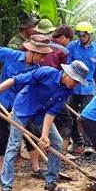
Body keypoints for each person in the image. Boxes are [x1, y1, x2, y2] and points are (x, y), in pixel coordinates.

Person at [0, 60, 90, 191]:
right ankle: (6, 189)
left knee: (56, 142)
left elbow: (51, 112)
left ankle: (50, 184)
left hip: (41, 116)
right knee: (13, 146)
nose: (77, 84)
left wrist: (44, 135)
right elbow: (14, 80)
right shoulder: (45, 73)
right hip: (22, 110)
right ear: (68, 74)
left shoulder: (67, 90)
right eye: (76, 81)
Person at [0, 35, 53, 178]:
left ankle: (36, 168)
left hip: (22, 107)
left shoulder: (37, 70)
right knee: (1, 137)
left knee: (31, 134)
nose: (43, 60)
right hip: (0, 102)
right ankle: (2, 172)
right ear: (33, 52)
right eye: (42, 56)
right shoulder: (12, 55)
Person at [66, 21, 96, 155]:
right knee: (70, 115)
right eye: (79, 36)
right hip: (73, 88)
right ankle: (76, 141)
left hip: (89, 88)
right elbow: (68, 66)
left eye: (84, 36)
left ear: (90, 35)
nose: (81, 38)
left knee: (87, 116)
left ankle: (89, 144)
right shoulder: (72, 47)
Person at [41, 25, 75, 154]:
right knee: (67, 120)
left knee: (44, 119)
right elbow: (63, 75)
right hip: (54, 90)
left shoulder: (43, 45)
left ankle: (46, 148)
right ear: (63, 37)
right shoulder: (62, 51)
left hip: (39, 90)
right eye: (69, 40)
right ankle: (63, 152)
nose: (69, 43)